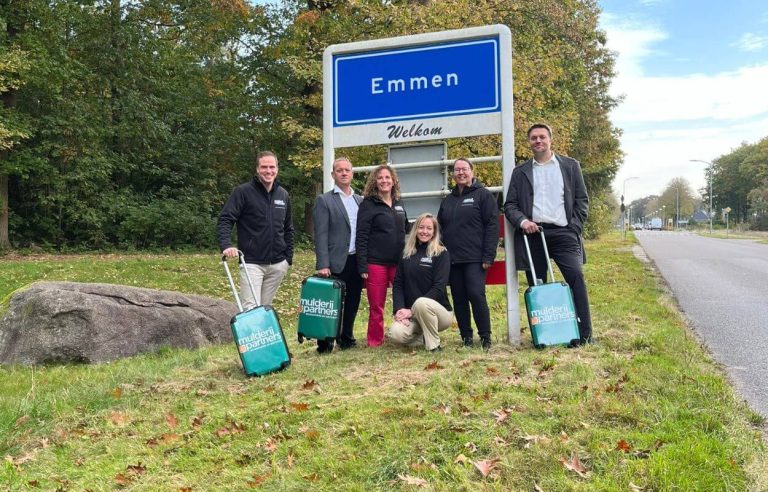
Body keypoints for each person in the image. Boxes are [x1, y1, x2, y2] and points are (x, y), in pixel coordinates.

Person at [503, 123, 593, 345]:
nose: (538, 141)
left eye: (542, 137)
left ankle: (585, 334)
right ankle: (546, 335)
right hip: (533, 235)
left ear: (551, 139)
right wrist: (523, 222)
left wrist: (574, 227)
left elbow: (582, 201)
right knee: (538, 285)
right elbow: (510, 205)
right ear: (529, 142)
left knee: (576, 278)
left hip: (564, 233)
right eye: (533, 138)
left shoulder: (570, 166)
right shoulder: (520, 171)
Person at [217, 151, 294, 309]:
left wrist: (288, 258)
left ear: (277, 169)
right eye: (264, 167)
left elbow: (288, 228)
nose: (268, 171)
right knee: (251, 309)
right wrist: (226, 245)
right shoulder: (243, 192)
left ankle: (262, 334)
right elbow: (225, 219)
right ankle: (250, 335)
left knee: (265, 309)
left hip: (278, 264)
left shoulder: (283, 195)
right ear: (257, 170)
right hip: (251, 263)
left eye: (272, 167)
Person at [437, 158, 499, 351]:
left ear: (472, 171)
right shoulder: (448, 200)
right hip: (453, 260)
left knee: (476, 295)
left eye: (464, 169)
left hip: (475, 259)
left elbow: (492, 225)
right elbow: (439, 228)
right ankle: (466, 337)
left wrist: (488, 255)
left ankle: (485, 337)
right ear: (453, 174)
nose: (460, 173)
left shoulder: (483, 195)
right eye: (456, 170)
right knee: (459, 297)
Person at [312, 157, 364, 353]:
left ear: (352, 174)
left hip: (356, 260)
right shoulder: (324, 200)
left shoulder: (360, 201)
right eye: (339, 170)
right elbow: (321, 235)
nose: (344, 173)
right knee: (331, 304)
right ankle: (325, 343)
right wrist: (323, 264)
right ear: (333, 174)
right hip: (334, 262)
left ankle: (347, 337)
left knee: (353, 301)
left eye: (347, 170)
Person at [356, 164, 408, 347]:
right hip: (375, 263)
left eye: (388, 177)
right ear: (375, 182)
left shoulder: (399, 203)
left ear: (393, 181)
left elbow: (406, 230)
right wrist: (362, 265)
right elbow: (361, 236)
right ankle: (375, 340)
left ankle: (405, 335)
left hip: (399, 262)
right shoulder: (368, 205)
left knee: (405, 300)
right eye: (380, 178)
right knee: (377, 305)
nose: (384, 181)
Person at [388, 213, 453, 352]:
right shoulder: (406, 253)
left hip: (439, 314)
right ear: (415, 229)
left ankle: (434, 346)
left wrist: (410, 311)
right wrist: (399, 309)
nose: (424, 231)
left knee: (421, 303)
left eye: (429, 228)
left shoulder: (441, 253)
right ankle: (420, 337)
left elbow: (439, 287)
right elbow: (398, 283)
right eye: (421, 227)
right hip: (413, 315)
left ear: (434, 232)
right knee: (395, 333)